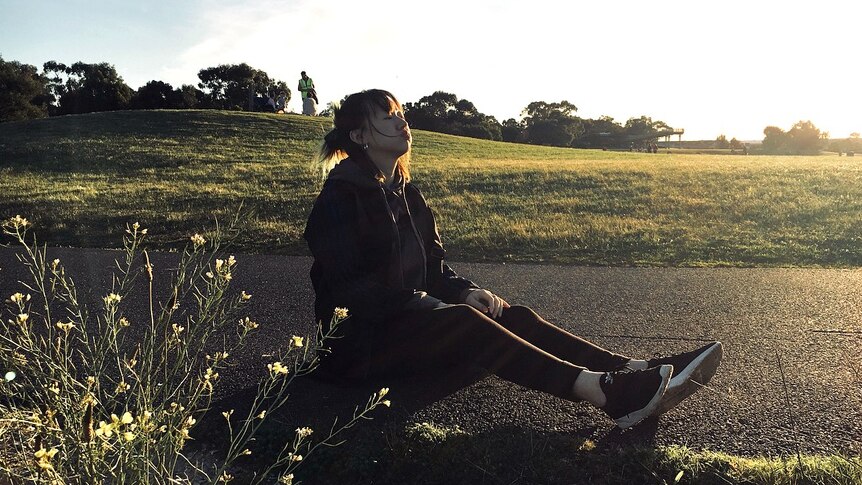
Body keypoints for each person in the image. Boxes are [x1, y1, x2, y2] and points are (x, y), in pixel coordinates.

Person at [303, 89, 723, 430]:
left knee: (511, 314)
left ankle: (637, 368)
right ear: (360, 137)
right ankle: (608, 394)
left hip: (410, 330)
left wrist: (465, 291)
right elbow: (349, 292)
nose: (401, 121)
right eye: (387, 116)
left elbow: (434, 270)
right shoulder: (340, 197)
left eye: (400, 112)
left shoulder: (409, 195)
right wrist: (427, 304)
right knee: (463, 322)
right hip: (359, 350)